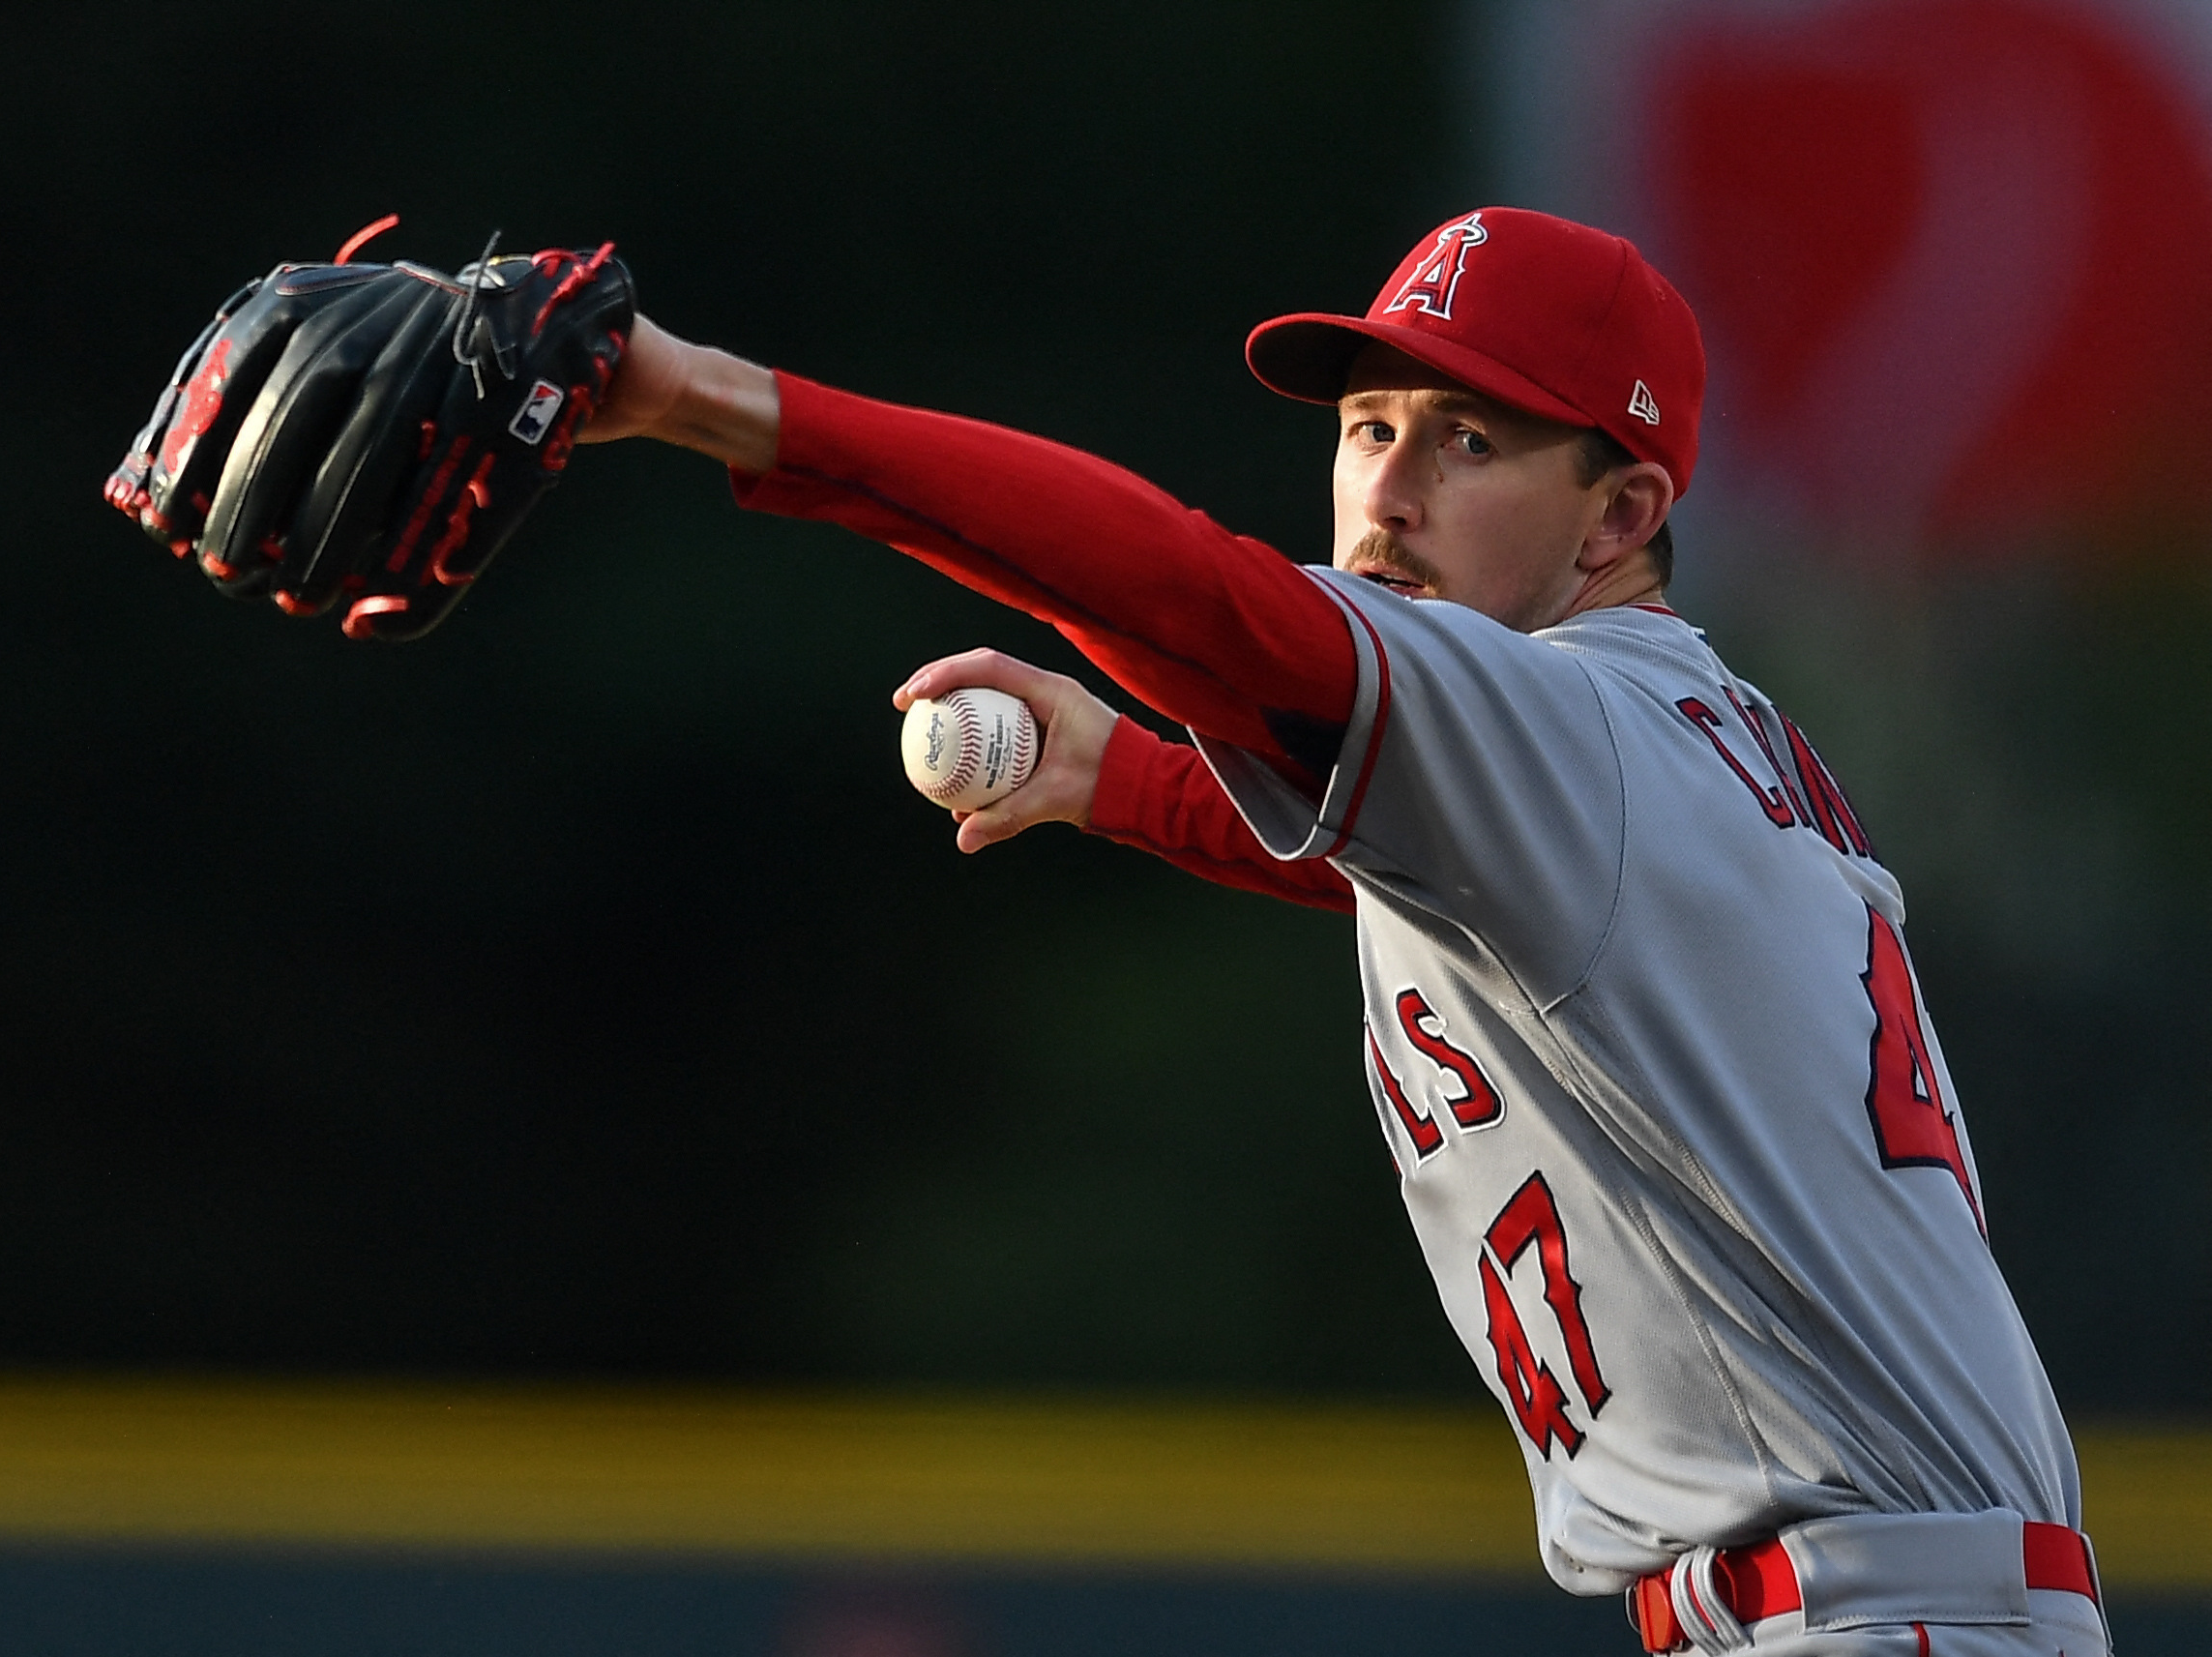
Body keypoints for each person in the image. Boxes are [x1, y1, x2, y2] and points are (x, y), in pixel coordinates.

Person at [582, 207, 2105, 1656]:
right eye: (1370, 426)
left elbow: (1190, 595)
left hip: (1872, 1607)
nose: (1387, 492)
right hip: (1900, 1594)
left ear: (1622, 511)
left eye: (1470, 440)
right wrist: (1128, 779)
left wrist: (704, 397)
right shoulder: (1680, 736)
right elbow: (1436, 883)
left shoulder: (1565, 714)